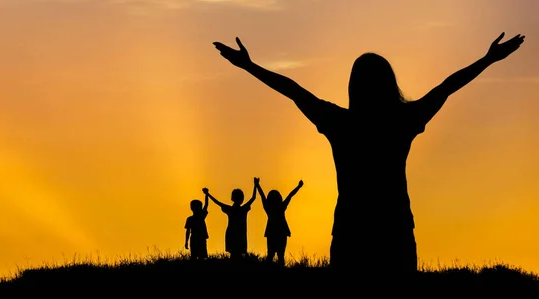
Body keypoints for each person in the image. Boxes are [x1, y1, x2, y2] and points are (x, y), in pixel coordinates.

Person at [212, 32, 525, 273]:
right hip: (392, 232)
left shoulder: (341, 122)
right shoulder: (402, 120)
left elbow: (293, 90)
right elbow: (447, 86)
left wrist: (249, 66)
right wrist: (487, 60)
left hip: (356, 233)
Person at [205, 179, 258, 259]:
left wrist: (207, 194)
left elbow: (217, 202)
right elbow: (253, 198)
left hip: (231, 233)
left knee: (233, 255)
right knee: (238, 255)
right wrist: (256, 185)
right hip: (240, 234)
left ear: (232, 198)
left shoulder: (230, 209)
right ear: (242, 199)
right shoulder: (243, 209)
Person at [256, 178, 303, 267]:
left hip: (271, 233)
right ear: (280, 198)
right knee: (280, 255)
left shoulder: (268, 209)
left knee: (270, 255)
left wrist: (257, 185)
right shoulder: (281, 207)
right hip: (282, 233)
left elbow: (262, 196)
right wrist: (298, 187)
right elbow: (290, 196)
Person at [184, 190, 209, 260]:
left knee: (194, 256)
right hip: (201, 238)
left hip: (194, 238)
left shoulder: (190, 219)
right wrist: (206, 194)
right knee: (201, 257)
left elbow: (188, 231)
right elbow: (206, 205)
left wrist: (186, 241)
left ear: (191, 208)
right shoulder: (201, 216)